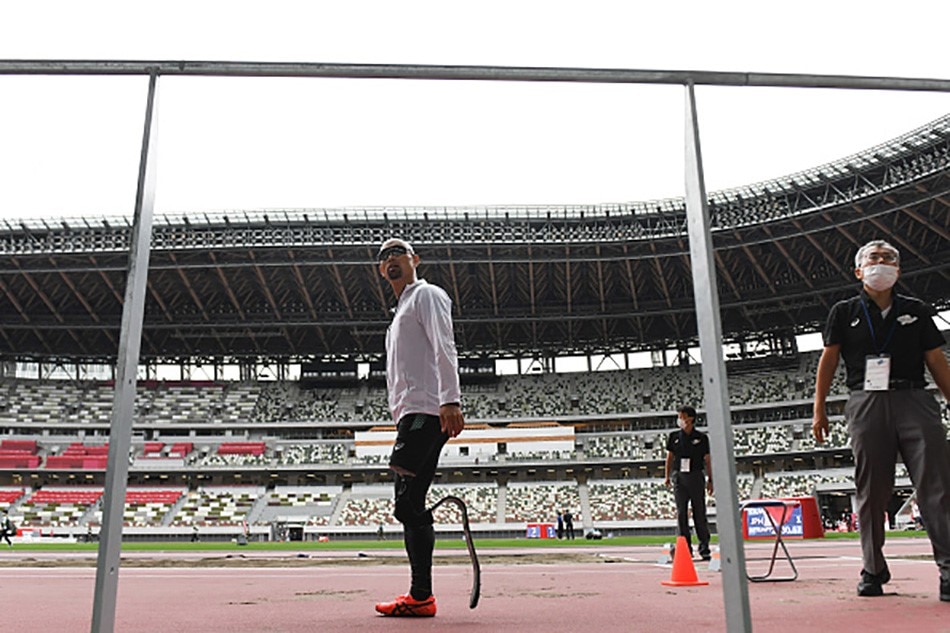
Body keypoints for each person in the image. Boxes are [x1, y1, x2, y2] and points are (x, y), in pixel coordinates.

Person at [812, 239, 950, 602]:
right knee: (871, 491)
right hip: (866, 401)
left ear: (898, 270)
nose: (881, 262)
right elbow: (829, 360)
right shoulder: (843, 312)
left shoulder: (917, 310)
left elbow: (936, 360)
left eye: (889, 258)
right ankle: (872, 568)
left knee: (936, 487)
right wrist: (819, 408)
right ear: (859, 271)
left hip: (914, 399)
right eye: (873, 257)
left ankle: (949, 569)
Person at [373, 238, 465, 618]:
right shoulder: (398, 314)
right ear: (381, 271)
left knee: (407, 503)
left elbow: (445, 345)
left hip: (426, 412)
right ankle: (421, 595)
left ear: (415, 260)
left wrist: (451, 400)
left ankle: (421, 595)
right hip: (412, 414)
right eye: (383, 257)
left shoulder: (426, 295)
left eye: (398, 252)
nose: (390, 259)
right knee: (409, 503)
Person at [664, 405, 713, 561]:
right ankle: (685, 548)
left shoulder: (702, 438)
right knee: (681, 514)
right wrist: (667, 476)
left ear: (690, 418)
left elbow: (708, 460)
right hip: (679, 476)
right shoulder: (673, 437)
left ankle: (704, 547)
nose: (680, 419)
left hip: (696, 476)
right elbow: (669, 458)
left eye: (682, 416)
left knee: (699, 512)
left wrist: (710, 480)